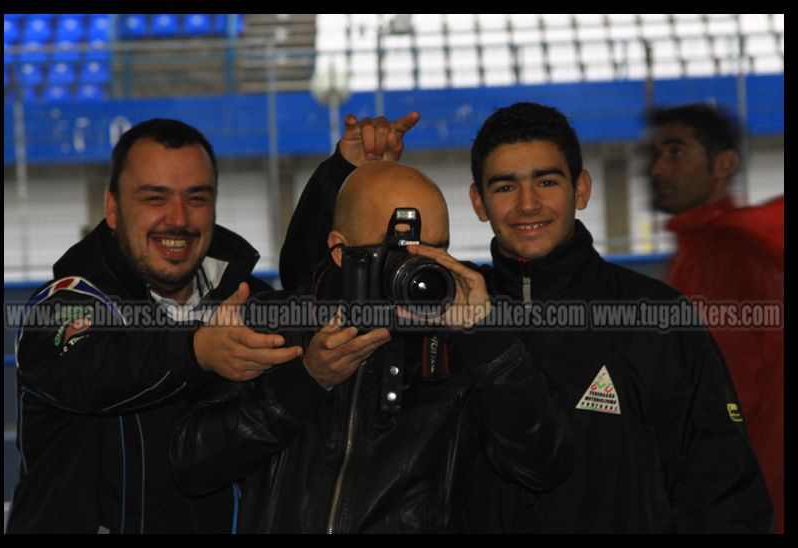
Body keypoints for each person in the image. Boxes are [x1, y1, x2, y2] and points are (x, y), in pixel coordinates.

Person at [281, 104, 774, 532]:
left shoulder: (659, 318)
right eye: (505, 186)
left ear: (580, 189)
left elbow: (723, 488)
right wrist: (342, 173)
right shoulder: (447, 308)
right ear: (479, 202)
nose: (528, 205)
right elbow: (322, 283)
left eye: (546, 181)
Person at [169, 160, 574, 533]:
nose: (420, 272)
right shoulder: (273, 324)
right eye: (400, 253)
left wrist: (486, 338)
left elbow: (544, 466)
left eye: (437, 251)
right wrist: (305, 382)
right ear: (341, 251)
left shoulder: (462, 344)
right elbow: (193, 465)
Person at [7, 118, 302, 533]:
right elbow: (98, 367)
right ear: (113, 208)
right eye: (155, 198)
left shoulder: (243, 298)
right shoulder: (62, 304)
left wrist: (338, 177)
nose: (178, 219)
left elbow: (319, 297)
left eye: (196, 198)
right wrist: (196, 353)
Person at [648, 103, 784, 532]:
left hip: (740, 500)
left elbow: (727, 394)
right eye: (656, 154)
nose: (656, 169)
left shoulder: (725, 252)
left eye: (675, 153)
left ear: (722, 164)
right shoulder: (708, 244)